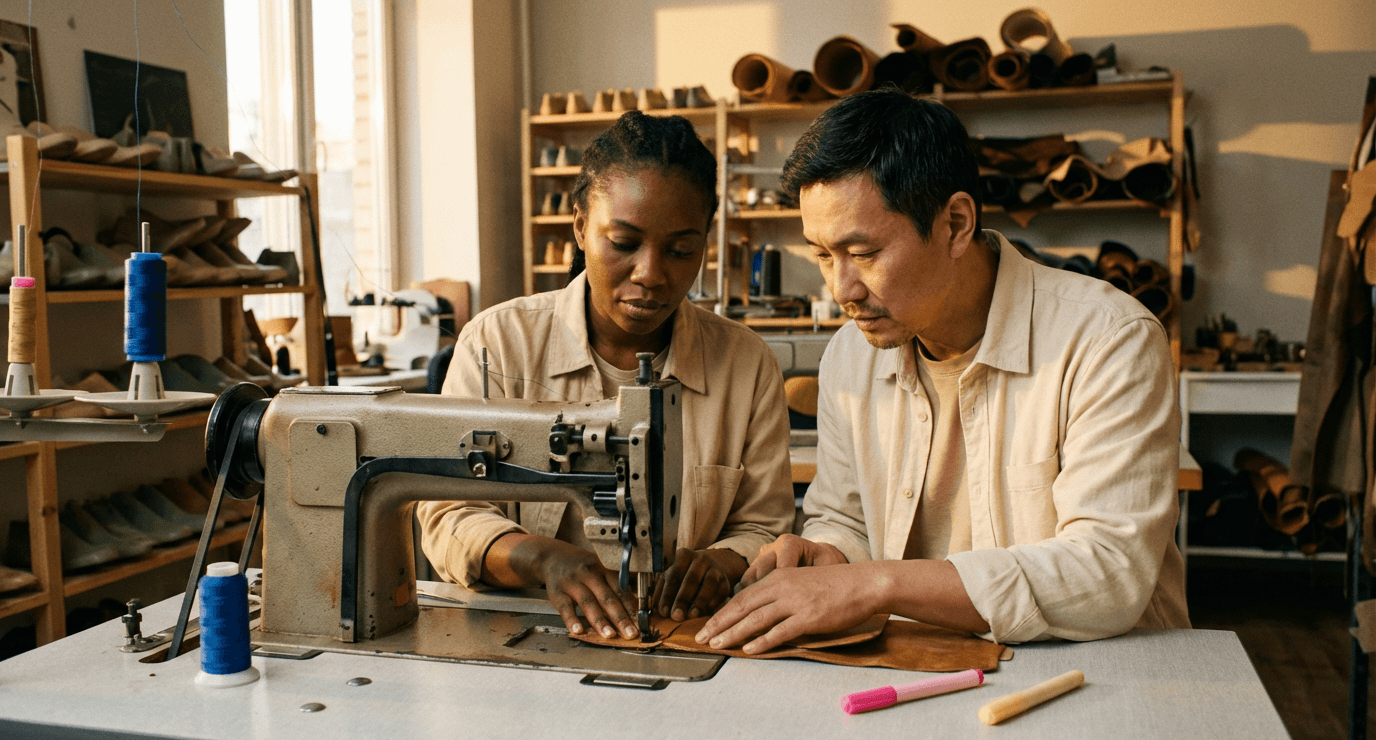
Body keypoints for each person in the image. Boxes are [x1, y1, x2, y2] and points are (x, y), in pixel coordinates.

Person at [696, 90, 1190, 654]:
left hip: (1110, 676)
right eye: (822, 255)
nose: (841, 290)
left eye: (863, 253)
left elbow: (1107, 572)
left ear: (956, 223)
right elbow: (845, 518)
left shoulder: (1107, 340)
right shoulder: (851, 358)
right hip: (930, 664)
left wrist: (872, 584)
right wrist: (831, 555)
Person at [417, 111, 794, 642]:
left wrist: (725, 562)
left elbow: (765, 525)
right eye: (623, 243)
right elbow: (449, 509)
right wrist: (542, 559)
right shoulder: (498, 345)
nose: (651, 274)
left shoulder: (745, 364)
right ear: (579, 227)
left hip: (681, 630)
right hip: (521, 629)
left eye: (681, 250)